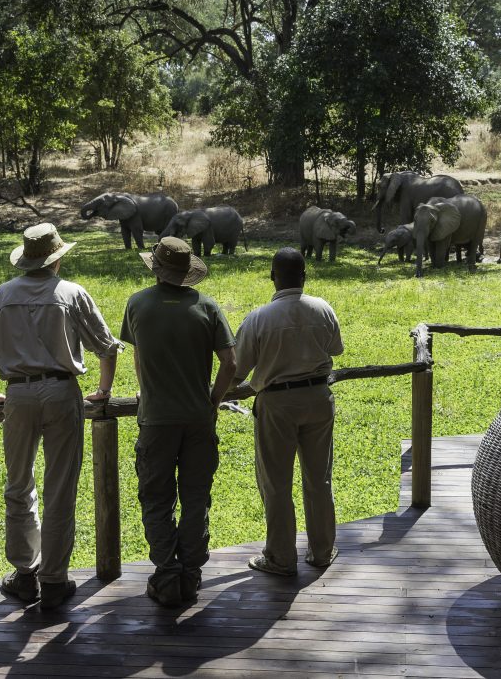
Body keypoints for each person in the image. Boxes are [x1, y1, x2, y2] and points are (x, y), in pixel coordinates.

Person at [0, 223, 121, 610]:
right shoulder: (71, 293)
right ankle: (54, 579)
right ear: (57, 257)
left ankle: (24, 574)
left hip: (17, 394)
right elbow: (106, 347)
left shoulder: (2, 295)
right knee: (61, 486)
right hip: (62, 391)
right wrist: (103, 389)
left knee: (19, 485)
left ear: (26, 259)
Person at [120, 237, 237, 606]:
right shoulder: (207, 307)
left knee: (156, 498)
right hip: (198, 420)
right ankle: (191, 572)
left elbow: (139, 357)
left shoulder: (137, 304)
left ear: (155, 268)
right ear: (188, 272)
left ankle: (167, 574)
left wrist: (148, 391)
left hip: (156, 420)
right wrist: (214, 400)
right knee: (195, 497)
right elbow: (230, 364)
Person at [232, 247, 344, 576]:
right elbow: (335, 348)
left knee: (276, 482)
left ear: (272, 276)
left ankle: (281, 557)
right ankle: (322, 551)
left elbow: (238, 370)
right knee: (319, 478)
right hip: (319, 398)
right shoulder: (323, 309)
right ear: (305, 276)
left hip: (277, 403)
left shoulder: (259, 318)